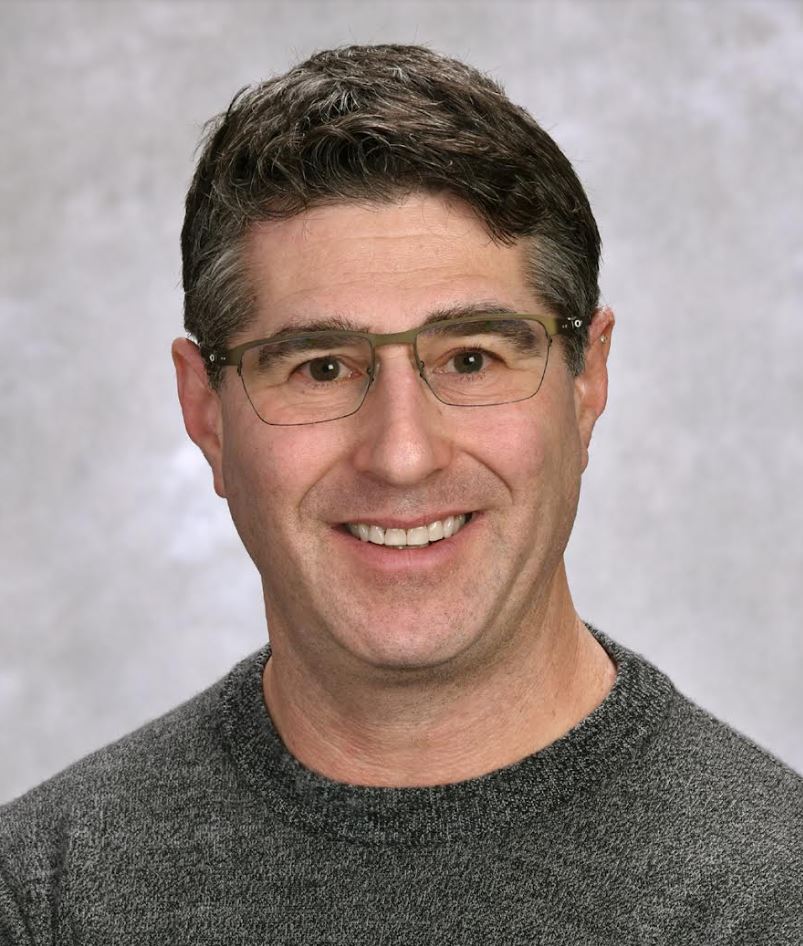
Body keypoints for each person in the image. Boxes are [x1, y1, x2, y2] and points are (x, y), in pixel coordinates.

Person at [1, 43, 800, 945]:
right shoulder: (42, 901)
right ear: (206, 413)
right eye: (320, 367)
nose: (402, 455)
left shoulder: (773, 897)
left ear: (586, 384)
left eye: (471, 359)